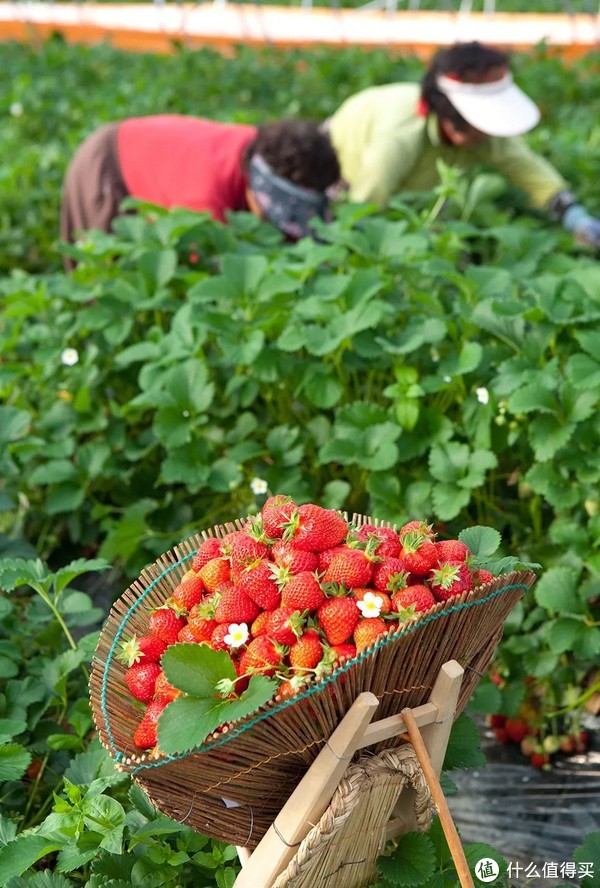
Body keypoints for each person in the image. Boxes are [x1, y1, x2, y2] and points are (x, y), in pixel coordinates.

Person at [327, 41, 600, 248]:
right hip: (335, 171)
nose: (488, 134)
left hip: (412, 195)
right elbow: (365, 203)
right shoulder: (400, 135)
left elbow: (526, 168)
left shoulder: (482, 136)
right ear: (448, 114)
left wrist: (574, 216)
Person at [60, 115, 340, 265]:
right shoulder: (204, 199)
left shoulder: (267, 151)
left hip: (165, 165)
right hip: (109, 167)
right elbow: (203, 272)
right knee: (106, 274)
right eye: (273, 213)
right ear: (256, 186)